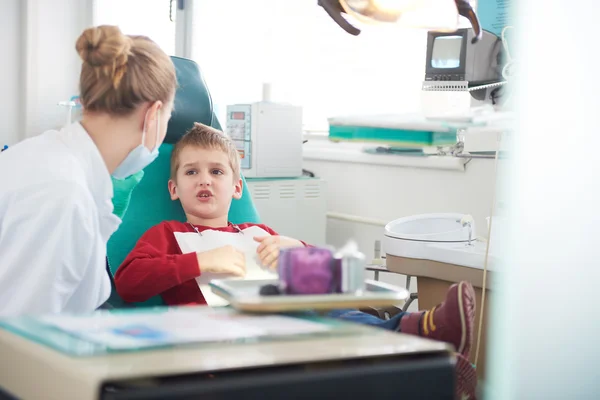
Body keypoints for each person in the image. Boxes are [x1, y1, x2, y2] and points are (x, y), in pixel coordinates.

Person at [115, 123, 478, 399]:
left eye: (217, 171)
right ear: (174, 188)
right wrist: (199, 261)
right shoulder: (168, 234)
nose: (204, 180)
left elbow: (333, 281)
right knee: (327, 332)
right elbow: (130, 283)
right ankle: (423, 338)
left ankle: (427, 352)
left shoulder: (258, 232)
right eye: (191, 172)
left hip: (288, 323)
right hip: (222, 338)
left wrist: (296, 249)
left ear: (237, 187)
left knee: (335, 315)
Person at [0, 25, 177, 316]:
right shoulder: (62, 192)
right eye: (169, 116)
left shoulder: (48, 158)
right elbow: (20, 337)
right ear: (153, 114)